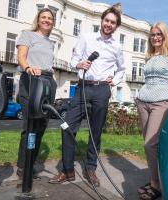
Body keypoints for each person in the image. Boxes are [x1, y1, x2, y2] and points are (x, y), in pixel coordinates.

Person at [49, 5, 125, 187]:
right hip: (83, 87)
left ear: (116, 26)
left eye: (113, 22)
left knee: (95, 132)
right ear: (102, 20)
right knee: (67, 127)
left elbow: (121, 69)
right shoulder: (86, 38)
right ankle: (67, 171)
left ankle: (91, 169)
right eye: (107, 20)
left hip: (102, 91)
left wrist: (113, 81)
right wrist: (79, 64)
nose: (108, 24)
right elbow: (74, 60)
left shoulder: (116, 46)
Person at [136, 22, 168, 200]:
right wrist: (138, 98)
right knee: (151, 146)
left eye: (159, 34)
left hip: (161, 103)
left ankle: (156, 184)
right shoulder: (148, 57)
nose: (155, 37)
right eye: (153, 34)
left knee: (149, 144)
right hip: (143, 102)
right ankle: (155, 179)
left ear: (164, 36)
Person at [15, 8, 57, 179]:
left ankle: (31, 164)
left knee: (41, 126)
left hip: (47, 82)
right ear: (38, 20)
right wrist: (28, 68)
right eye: (43, 17)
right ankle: (22, 166)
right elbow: (21, 56)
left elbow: (47, 63)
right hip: (31, 79)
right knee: (29, 125)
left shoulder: (50, 42)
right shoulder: (27, 34)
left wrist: (53, 78)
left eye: (50, 18)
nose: (47, 20)